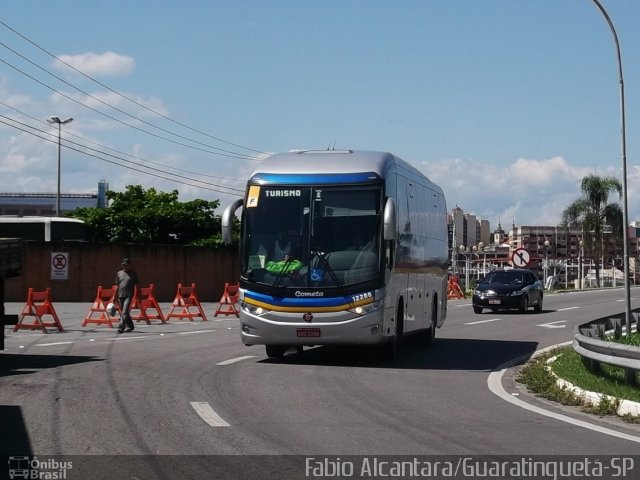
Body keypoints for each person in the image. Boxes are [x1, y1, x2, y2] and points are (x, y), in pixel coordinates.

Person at [114, 258, 139, 333]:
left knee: (124, 311)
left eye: (126, 265)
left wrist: (137, 296)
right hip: (120, 295)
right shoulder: (119, 273)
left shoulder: (134, 273)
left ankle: (121, 327)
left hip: (129, 295)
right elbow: (117, 286)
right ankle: (130, 326)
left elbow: (137, 286)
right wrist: (114, 296)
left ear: (129, 265)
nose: (124, 266)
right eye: (123, 265)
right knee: (124, 312)